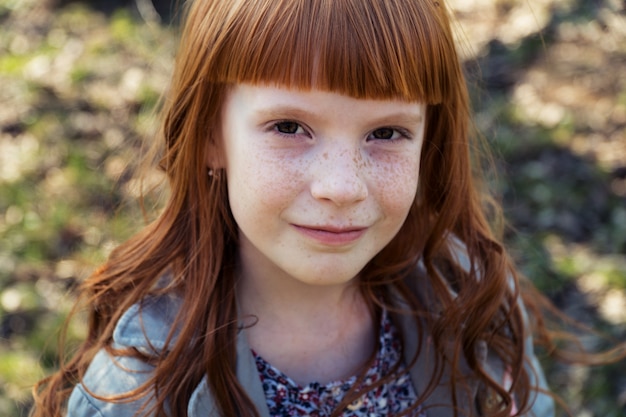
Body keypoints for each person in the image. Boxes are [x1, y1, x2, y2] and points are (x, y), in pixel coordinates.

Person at [32, 0, 612, 416]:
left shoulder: (470, 302)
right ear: (211, 135)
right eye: (290, 126)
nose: (342, 186)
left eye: (386, 132)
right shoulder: (146, 385)